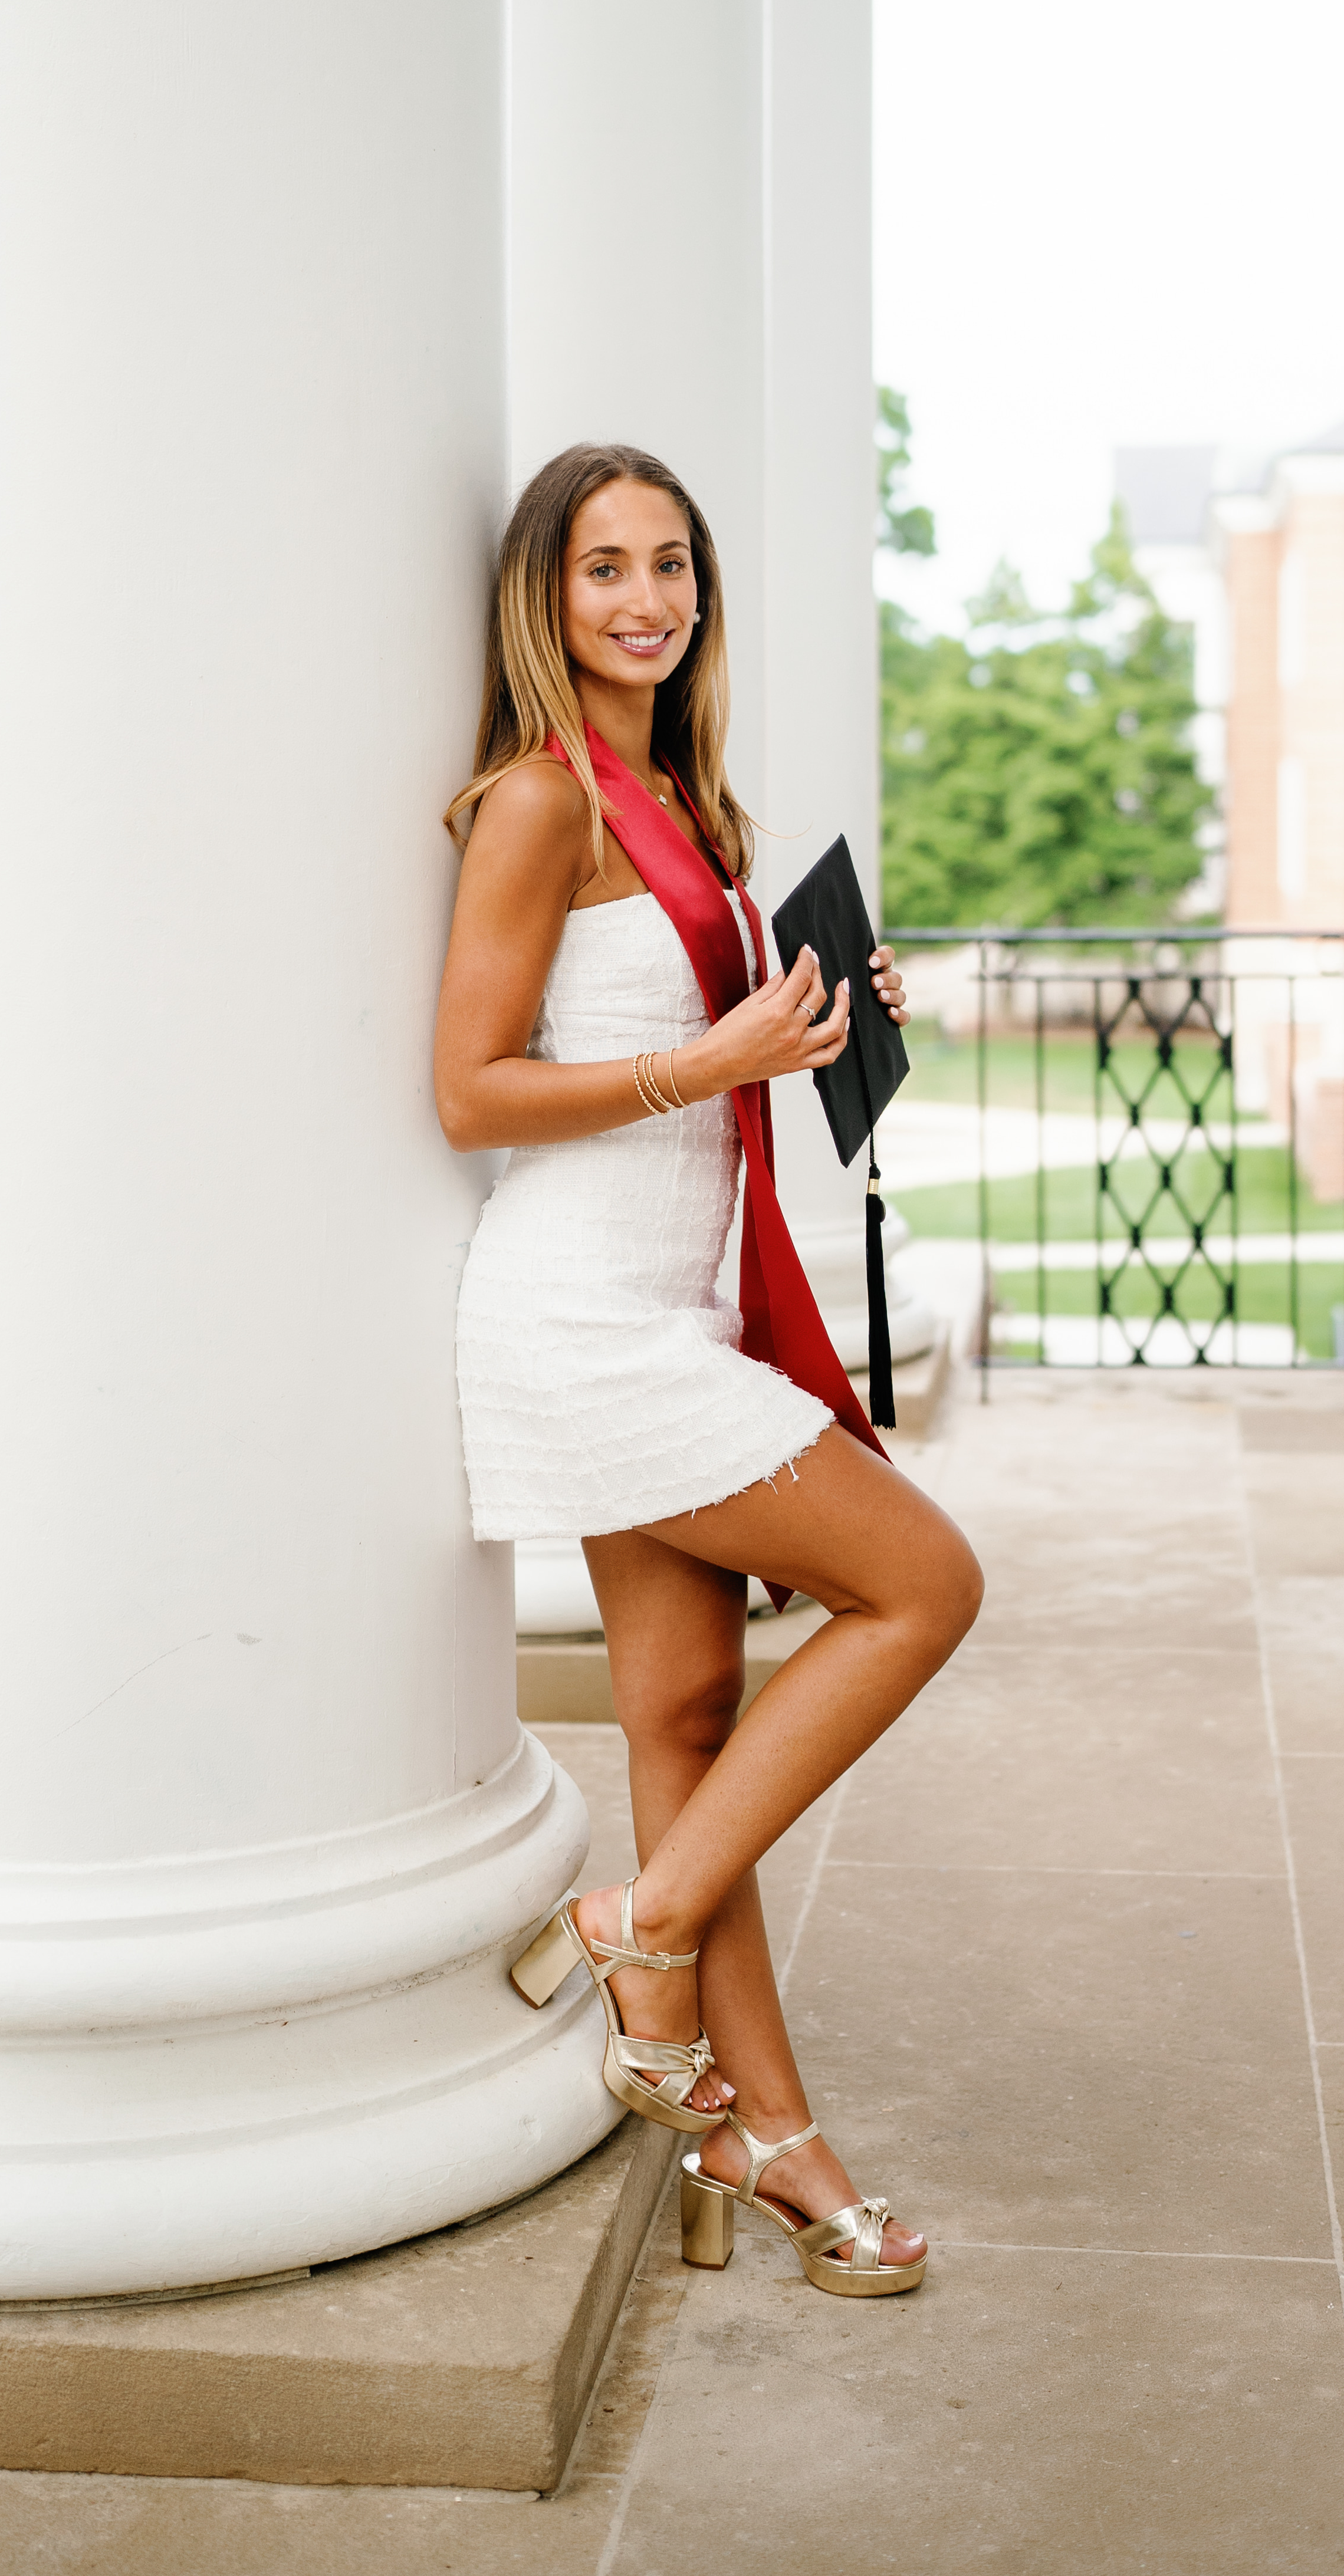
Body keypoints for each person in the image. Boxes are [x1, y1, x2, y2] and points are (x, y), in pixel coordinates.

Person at [435, 440, 982, 2300]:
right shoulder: (536, 802)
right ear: (546, 595)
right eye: (605, 570)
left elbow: (721, 1035)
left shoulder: (698, 806)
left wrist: (827, 1010)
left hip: (683, 1313)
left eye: (672, 565)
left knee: (683, 1729)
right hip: (582, 1323)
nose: (645, 600)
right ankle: (636, 1919)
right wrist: (718, 1061)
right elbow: (469, 1090)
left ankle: (767, 2142)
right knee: (925, 1581)